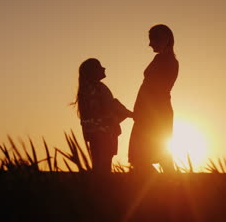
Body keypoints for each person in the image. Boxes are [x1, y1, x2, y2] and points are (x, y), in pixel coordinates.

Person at [128, 24, 179, 173]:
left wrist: (142, 110)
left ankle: (168, 186)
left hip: (154, 113)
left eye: (152, 39)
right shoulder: (167, 59)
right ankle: (170, 185)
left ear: (163, 39)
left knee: (143, 156)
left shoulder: (164, 60)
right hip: (154, 111)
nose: (149, 44)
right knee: (155, 155)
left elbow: (155, 90)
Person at [73, 58, 133, 173]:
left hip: (104, 132)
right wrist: (128, 114)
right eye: (99, 66)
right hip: (102, 133)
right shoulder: (93, 90)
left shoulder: (95, 88)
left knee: (103, 165)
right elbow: (107, 109)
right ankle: (101, 188)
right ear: (92, 71)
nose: (103, 68)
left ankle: (101, 186)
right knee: (102, 167)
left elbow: (111, 106)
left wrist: (128, 113)